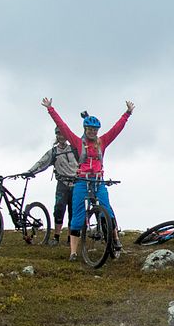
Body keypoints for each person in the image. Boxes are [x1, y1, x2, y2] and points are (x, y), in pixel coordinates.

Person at [40, 97, 134, 261]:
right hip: (82, 182)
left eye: (95, 129)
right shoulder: (77, 141)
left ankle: (116, 238)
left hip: (98, 181)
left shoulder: (102, 141)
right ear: (85, 128)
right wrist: (50, 109)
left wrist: (127, 113)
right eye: (90, 129)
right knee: (77, 216)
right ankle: (73, 252)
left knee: (107, 210)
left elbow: (116, 129)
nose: (93, 132)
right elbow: (63, 126)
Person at [23, 127, 79, 246]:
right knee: (59, 210)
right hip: (62, 184)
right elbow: (42, 162)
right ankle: (56, 236)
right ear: (56, 136)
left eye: (63, 134)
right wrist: (31, 171)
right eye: (58, 134)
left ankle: (70, 238)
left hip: (76, 184)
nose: (61, 136)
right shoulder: (53, 152)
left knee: (72, 212)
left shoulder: (75, 149)